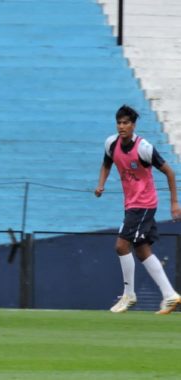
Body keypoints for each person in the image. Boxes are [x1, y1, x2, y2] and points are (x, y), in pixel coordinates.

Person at [95, 105, 181, 314]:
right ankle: (170, 295)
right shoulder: (111, 144)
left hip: (143, 204)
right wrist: (101, 184)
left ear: (133, 125)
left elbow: (169, 172)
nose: (122, 126)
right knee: (142, 251)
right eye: (119, 123)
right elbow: (107, 163)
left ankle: (129, 294)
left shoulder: (144, 148)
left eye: (126, 123)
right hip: (132, 204)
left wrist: (174, 203)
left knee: (121, 246)